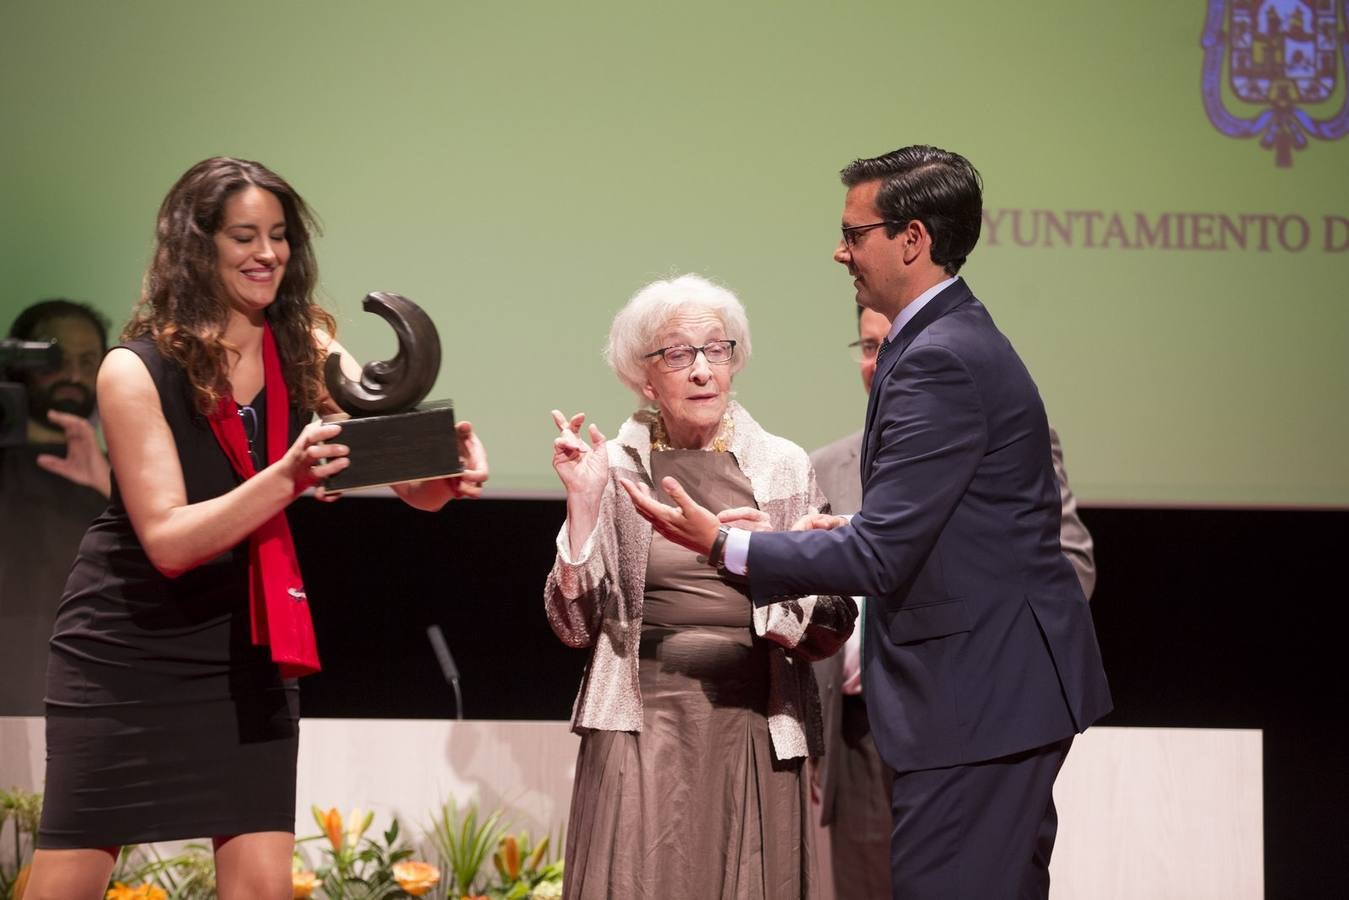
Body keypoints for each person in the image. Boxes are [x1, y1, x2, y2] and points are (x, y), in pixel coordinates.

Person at [623, 146, 1112, 899]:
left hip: (977, 698)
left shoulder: (938, 356)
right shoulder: (941, 339)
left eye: (855, 233)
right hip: (988, 696)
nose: (839, 250)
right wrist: (838, 530)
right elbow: (935, 523)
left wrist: (724, 542)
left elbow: (884, 556)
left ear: (911, 239)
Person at [24, 157, 489, 900]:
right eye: (244, 236)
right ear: (196, 246)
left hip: (248, 643)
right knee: (68, 881)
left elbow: (413, 487)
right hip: (125, 647)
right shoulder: (131, 370)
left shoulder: (306, 346)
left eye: (278, 236)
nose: (267, 253)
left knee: (263, 886)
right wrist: (289, 477)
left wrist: (450, 476)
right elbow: (170, 541)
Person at [545, 273, 856, 900]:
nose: (702, 370)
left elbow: (834, 621)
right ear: (644, 375)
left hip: (753, 718)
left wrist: (763, 556)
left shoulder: (784, 466)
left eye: (718, 350)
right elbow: (574, 626)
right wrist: (582, 509)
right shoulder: (615, 467)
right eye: (678, 354)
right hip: (638, 721)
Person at [810, 305, 1098, 900]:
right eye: (867, 347)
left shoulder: (1010, 437)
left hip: (971, 708)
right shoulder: (827, 466)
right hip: (861, 733)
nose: (878, 361)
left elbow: (1069, 565)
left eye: (890, 344)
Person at [0, 300, 113, 714]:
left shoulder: (123, 475)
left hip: (87, 683)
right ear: (17, 363)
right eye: (54, 358)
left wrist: (109, 482)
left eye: (88, 361)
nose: (73, 375)